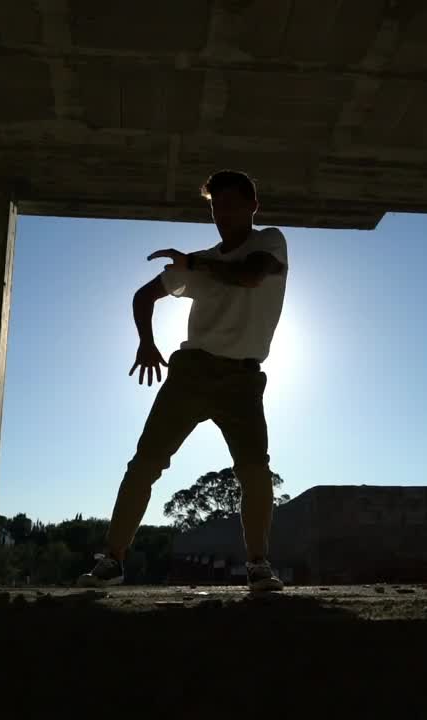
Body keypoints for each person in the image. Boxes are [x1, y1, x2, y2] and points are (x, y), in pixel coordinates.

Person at [78, 170, 289, 592]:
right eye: (215, 207)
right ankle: (113, 561)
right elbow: (143, 296)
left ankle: (259, 564)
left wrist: (193, 264)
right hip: (190, 374)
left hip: (243, 381)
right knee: (145, 463)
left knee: (254, 471)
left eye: (230, 205)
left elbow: (249, 276)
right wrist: (145, 343)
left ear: (253, 207)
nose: (222, 215)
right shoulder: (196, 263)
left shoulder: (269, 242)